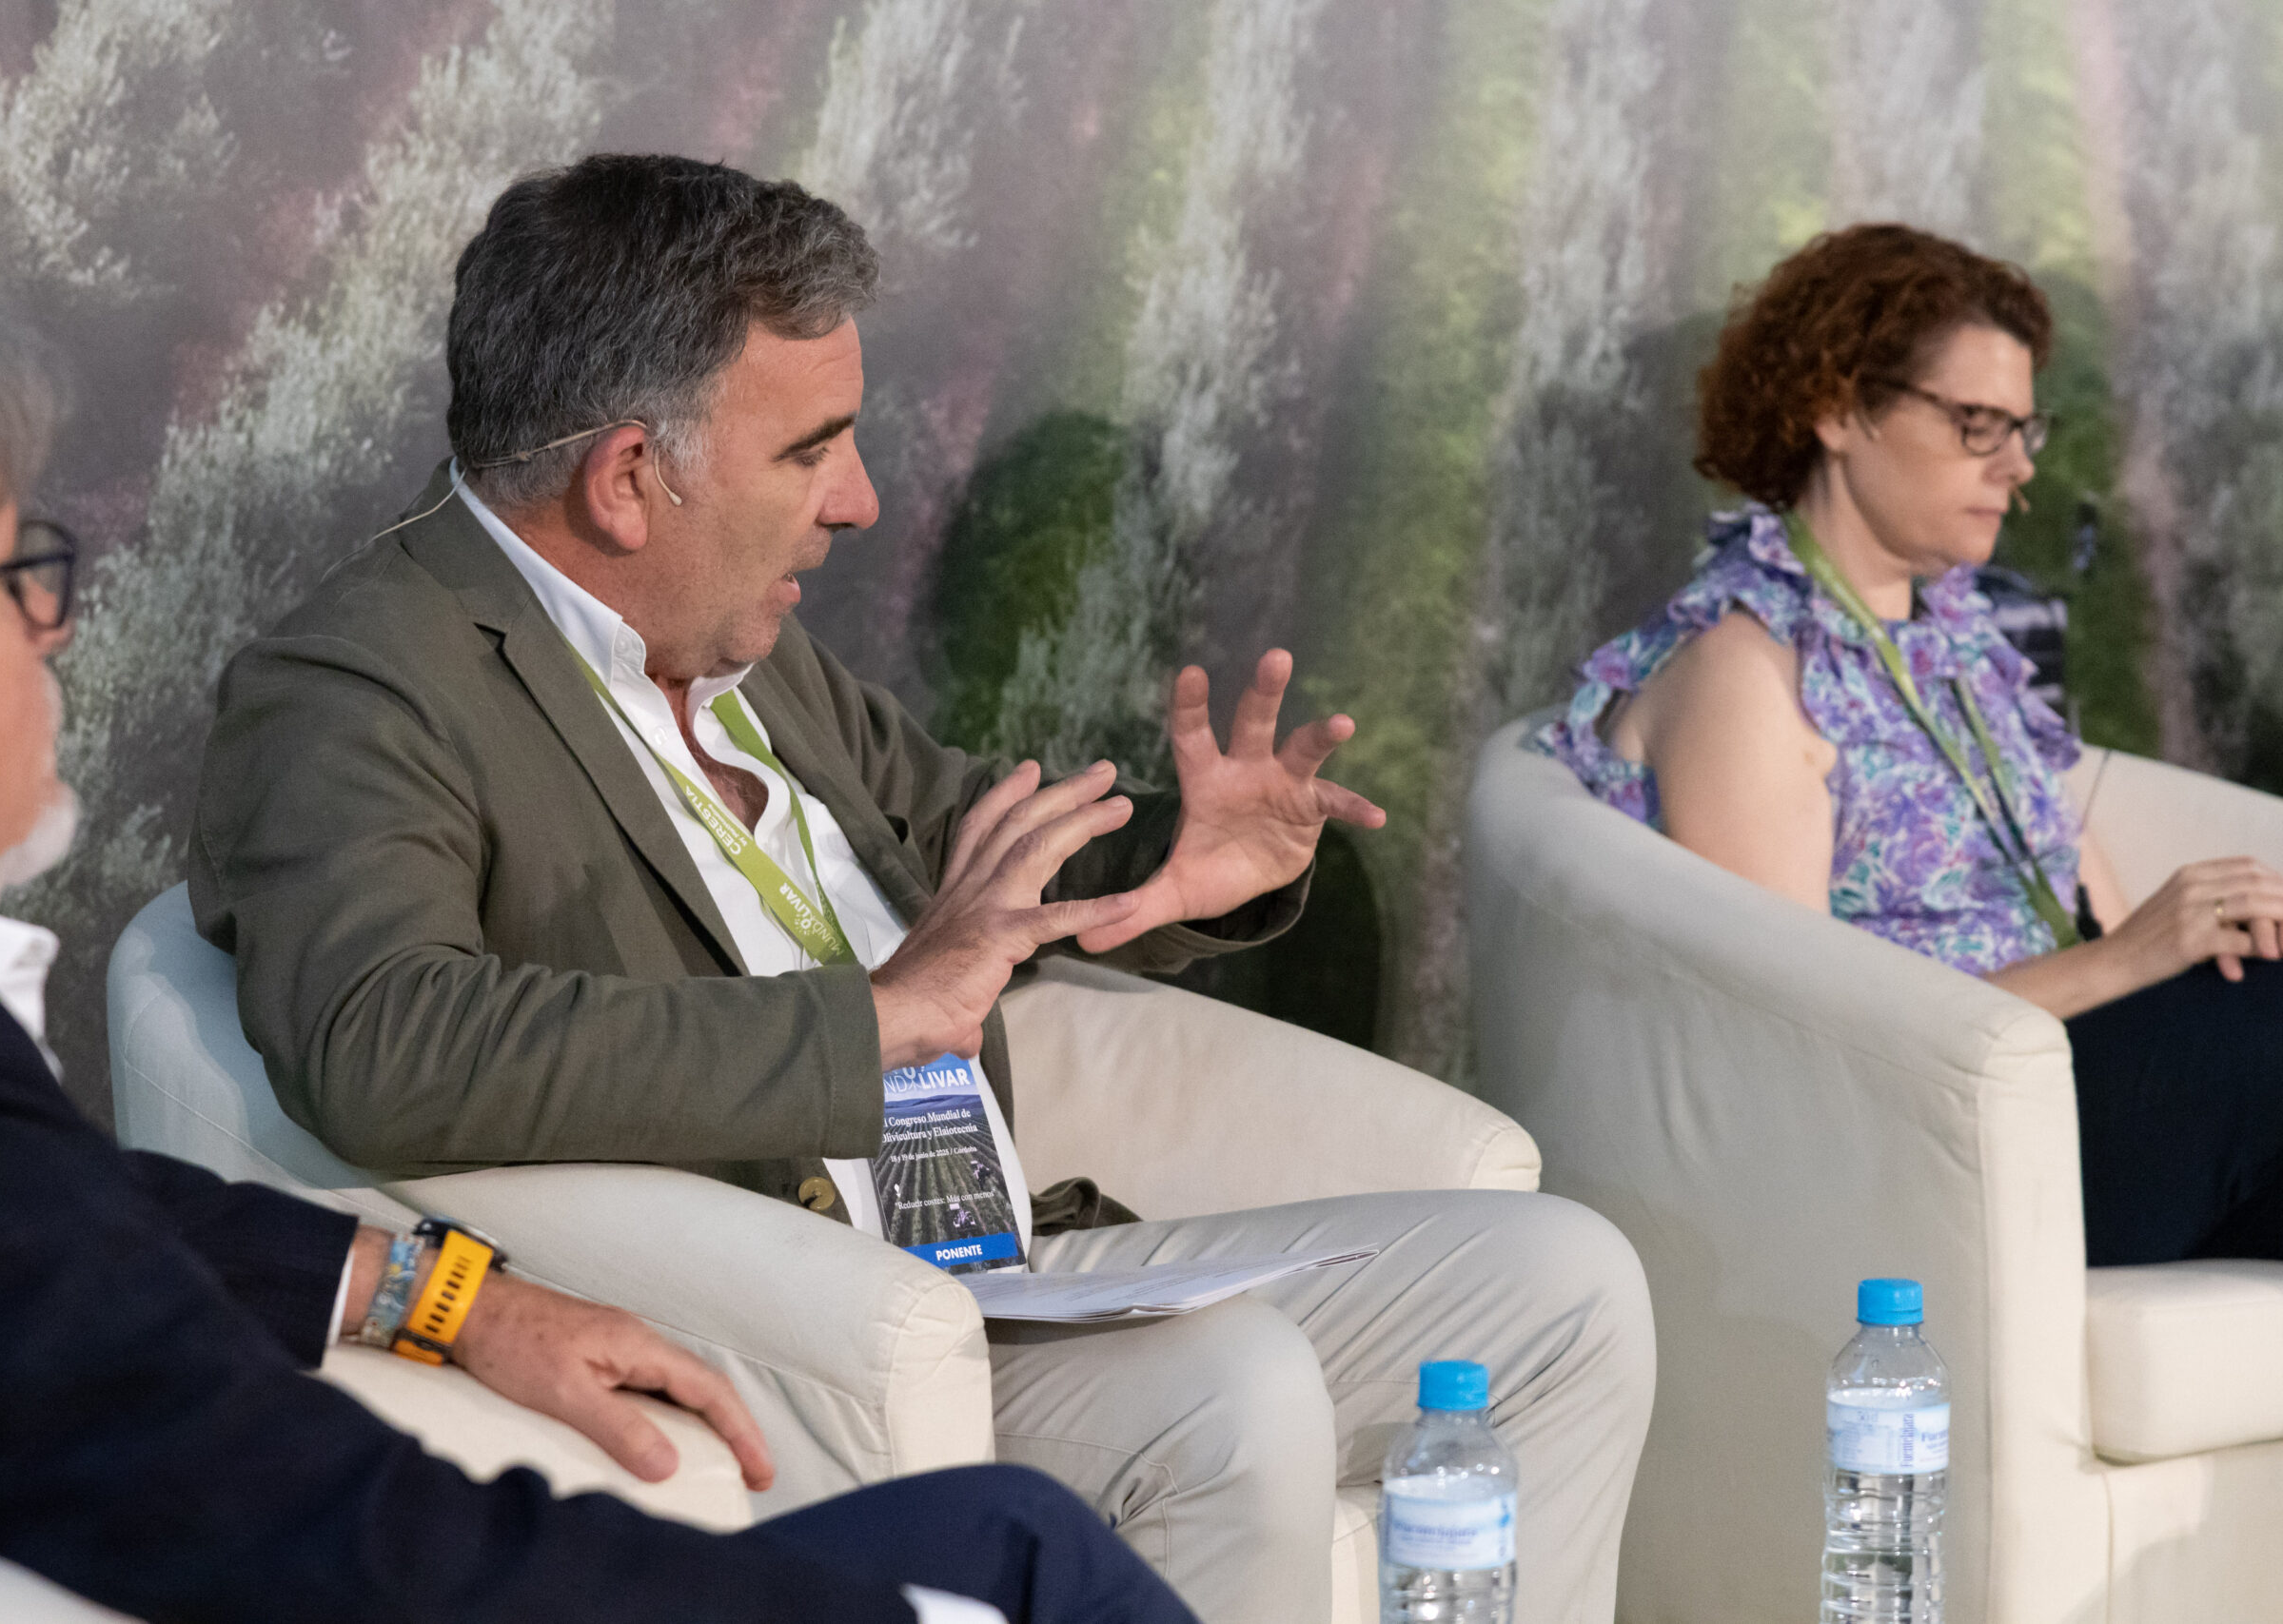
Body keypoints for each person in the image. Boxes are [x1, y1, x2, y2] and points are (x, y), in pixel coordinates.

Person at [189, 154, 1655, 1624]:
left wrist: (1170, 865)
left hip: (999, 1266)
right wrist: (873, 1019)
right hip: (810, 1316)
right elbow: (383, 1039)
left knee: (1567, 1284)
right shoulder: (356, 687)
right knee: (1235, 1384)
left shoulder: (736, 634)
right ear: (630, 478)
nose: (862, 500)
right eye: (811, 450)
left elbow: (960, 836)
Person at [0, 283, 1207, 1624]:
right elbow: (334, 1535)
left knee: (1021, 1534)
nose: (57, 627)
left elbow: (73, 1210)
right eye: (19, 579)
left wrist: (437, 1291)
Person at [1541, 222, 2283, 1268]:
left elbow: (2086, 909)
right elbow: (1801, 1037)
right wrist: (2132, 961)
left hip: (2068, 1093)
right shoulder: (1747, 673)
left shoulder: (1956, 640)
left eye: (2025, 429)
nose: (2018, 468)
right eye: (1978, 425)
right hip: (1922, 1139)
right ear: (1838, 407)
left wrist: (2191, 952)